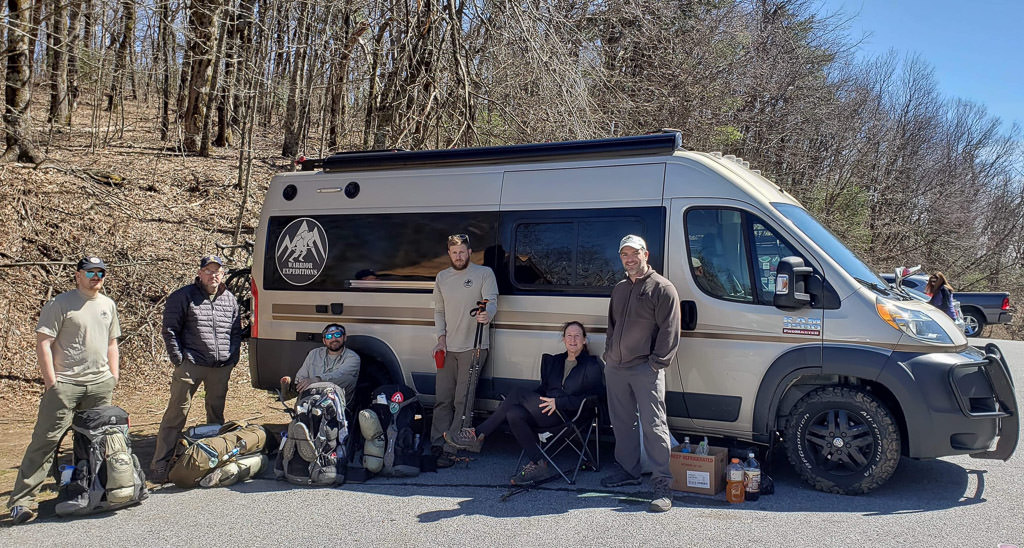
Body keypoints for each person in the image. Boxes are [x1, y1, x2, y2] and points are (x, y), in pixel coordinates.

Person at [8, 256, 121, 525]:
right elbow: (43, 343)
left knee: (94, 442)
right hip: (66, 385)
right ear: (78, 275)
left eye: (101, 272)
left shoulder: (108, 304)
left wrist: (113, 376)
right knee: (46, 441)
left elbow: (112, 343)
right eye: (90, 272)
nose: (96, 277)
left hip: (99, 385)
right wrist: (52, 383)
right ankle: (22, 502)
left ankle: (88, 491)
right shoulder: (60, 304)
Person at [446, 321, 604, 484]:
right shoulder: (556, 361)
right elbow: (543, 390)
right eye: (569, 335)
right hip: (545, 411)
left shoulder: (590, 365)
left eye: (577, 336)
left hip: (568, 415)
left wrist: (559, 403)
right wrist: (528, 401)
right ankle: (538, 463)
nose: (573, 339)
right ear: (563, 339)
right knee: (513, 412)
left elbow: (595, 397)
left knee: (517, 393)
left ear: (584, 339)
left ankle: (477, 433)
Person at [601, 235, 681, 513]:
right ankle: (628, 470)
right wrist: (609, 355)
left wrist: (656, 364)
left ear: (645, 254)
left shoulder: (662, 288)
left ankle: (662, 484)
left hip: (645, 368)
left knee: (654, 425)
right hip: (616, 368)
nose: (629, 259)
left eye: (634, 253)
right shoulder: (620, 288)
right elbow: (612, 326)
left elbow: (670, 331)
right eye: (624, 254)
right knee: (622, 423)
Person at [150, 255, 242, 484]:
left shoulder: (229, 299)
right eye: (208, 271)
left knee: (216, 415)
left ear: (223, 274)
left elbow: (235, 332)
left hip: (220, 367)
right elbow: (170, 330)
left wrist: (233, 357)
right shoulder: (183, 296)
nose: (213, 276)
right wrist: (178, 359)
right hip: (191, 364)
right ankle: (160, 464)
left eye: (217, 272)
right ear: (200, 274)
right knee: (176, 413)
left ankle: (212, 459)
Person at [430, 233, 498, 468]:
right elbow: (439, 311)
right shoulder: (442, 277)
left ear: (470, 252)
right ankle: (437, 442)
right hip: (448, 347)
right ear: (449, 254)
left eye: (462, 252)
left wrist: (487, 314)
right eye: (454, 253)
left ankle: (453, 446)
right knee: (443, 398)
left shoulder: (484, 274)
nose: (458, 256)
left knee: (463, 400)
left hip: (474, 346)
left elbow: (491, 300)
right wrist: (441, 339)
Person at [279, 323, 361, 405]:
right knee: (302, 383)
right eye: (329, 336)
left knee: (347, 379)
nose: (334, 339)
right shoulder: (314, 353)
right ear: (324, 341)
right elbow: (302, 376)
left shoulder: (353, 357)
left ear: (344, 337)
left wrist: (316, 379)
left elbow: (340, 376)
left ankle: (293, 393)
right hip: (310, 399)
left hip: (338, 404)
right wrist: (302, 384)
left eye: (337, 335)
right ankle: (292, 392)